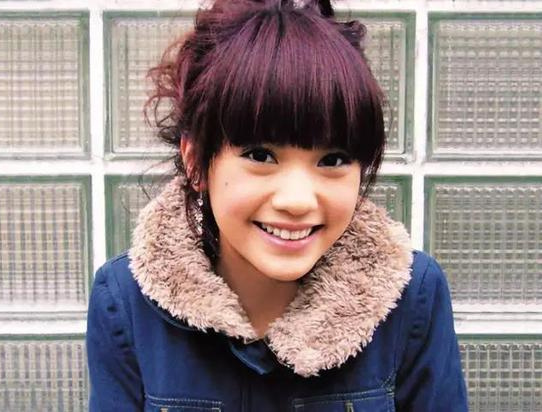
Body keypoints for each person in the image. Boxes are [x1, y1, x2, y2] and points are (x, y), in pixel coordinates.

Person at [86, 0, 468, 410]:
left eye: (333, 160)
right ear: (195, 161)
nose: (297, 201)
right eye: (261, 155)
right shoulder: (126, 302)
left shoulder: (413, 296)